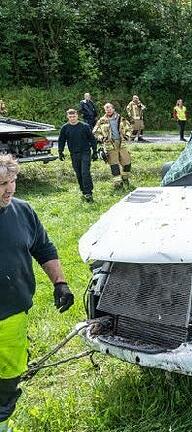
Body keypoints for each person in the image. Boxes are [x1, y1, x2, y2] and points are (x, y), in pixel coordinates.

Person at [0, 154, 74, 432]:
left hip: (11, 313)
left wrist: (60, 283)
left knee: (8, 376)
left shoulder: (23, 211)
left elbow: (43, 248)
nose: (9, 189)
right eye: (2, 183)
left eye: (13, 181)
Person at [58, 109, 98, 202]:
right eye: (70, 117)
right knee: (79, 173)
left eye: (74, 116)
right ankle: (83, 191)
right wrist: (60, 151)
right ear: (67, 117)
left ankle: (89, 193)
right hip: (74, 153)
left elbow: (92, 139)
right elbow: (61, 140)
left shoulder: (85, 126)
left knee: (85, 172)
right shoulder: (65, 128)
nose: (72, 118)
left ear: (77, 116)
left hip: (85, 152)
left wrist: (95, 151)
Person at [93, 103, 133, 188]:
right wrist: (102, 138)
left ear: (113, 109)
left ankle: (125, 178)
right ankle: (118, 184)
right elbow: (95, 132)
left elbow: (130, 128)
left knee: (127, 163)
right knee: (114, 165)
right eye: (106, 109)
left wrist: (127, 136)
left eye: (110, 108)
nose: (108, 110)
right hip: (110, 145)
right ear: (105, 110)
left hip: (122, 144)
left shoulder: (121, 119)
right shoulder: (101, 120)